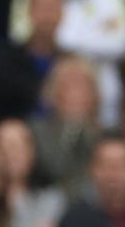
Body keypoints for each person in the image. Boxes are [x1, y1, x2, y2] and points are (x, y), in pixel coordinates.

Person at [0, 0, 62, 133]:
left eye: (53, 7)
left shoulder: (71, 62)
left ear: (63, 13)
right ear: (29, 11)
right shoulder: (3, 62)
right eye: (43, 7)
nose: (48, 16)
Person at [30, 56, 102, 197]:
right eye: (69, 87)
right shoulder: (37, 130)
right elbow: (55, 168)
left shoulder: (106, 135)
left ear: (94, 94)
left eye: (83, 87)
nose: (76, 94)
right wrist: (73, 128)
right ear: (54, 93)